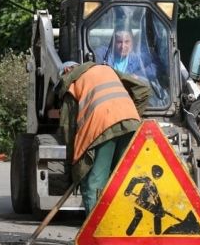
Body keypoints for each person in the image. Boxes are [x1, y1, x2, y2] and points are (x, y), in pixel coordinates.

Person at [58, 60, 150, 215]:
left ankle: (95, 235)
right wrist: (129, 115)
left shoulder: (72, 81)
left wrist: (72, 166)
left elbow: (68, 129)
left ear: (67, 69)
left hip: (102, 128)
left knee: (93, 185)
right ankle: (119, 232)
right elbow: (143, 89)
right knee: (122, 181)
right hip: (130, 125)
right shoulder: (105, 69)